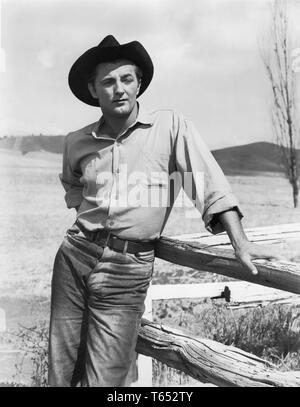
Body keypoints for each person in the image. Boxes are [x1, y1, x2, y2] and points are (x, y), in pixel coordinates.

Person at [48, 35, 281, 387]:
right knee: (61, 370)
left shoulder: (169, 128)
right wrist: (86, 210)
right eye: (108, 82)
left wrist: (241, 242)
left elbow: (206, 184)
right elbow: (73, 183)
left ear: (139, 83)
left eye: (126, 79)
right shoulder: (77, 141)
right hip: (74, 256)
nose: (119, 89)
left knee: (105, 381)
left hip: (127, 267)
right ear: (93, 90)